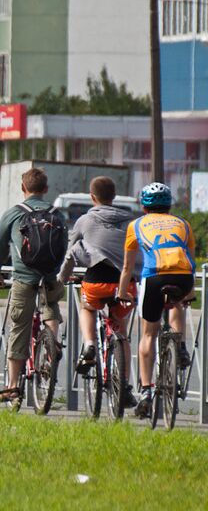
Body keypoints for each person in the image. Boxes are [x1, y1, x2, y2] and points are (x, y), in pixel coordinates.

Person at [118, 182, 196, 419]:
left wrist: (122, 292)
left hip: (153, 277)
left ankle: (146, 391)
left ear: (143, 206)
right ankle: (180, 345)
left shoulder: (136, 225)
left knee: (148, 334)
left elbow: (127, 266)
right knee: (178, 302)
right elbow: (189, 260)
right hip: (183, 277)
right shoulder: (184, 224)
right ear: (169, 205)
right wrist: (190, 294)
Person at [58, 177, 138, 408]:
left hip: (95, 283)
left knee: (88, 307)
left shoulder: (85, 220)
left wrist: (63, 278)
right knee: (120, 329)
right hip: (125, 285)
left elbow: (71, 251)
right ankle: (124, 385)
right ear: (114, 196)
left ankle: (90, 343)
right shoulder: (129, 221)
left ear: (93, 197)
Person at [0, 167, 66, 402]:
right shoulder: (56, 213)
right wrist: (54, 269)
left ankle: (12, 386)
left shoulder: (14, 213)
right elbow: (63, 244)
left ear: (23, 189)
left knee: (19, 327)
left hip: (24, 276)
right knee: (51, 304)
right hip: (50, 275)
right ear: (45, 189)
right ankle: (53, 342)